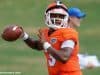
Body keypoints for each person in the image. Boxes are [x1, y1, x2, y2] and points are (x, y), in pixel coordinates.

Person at [21, 1, 86, 75]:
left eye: (61, 16)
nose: (57, 19)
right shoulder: (46, 33)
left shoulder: (68, 33)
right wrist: (23, 36)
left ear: (66, 18)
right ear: (46, 17)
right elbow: (36, 45)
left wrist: (45, 44)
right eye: (54, 15)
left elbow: (64, 57)